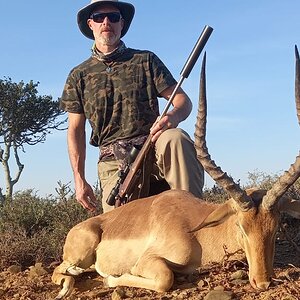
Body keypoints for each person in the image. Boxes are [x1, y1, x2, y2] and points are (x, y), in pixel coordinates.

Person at [60, 0, 204, 213]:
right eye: (99, 17)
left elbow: (183, 101)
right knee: (117, 232)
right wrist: (79, 179)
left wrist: (172, 117)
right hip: (114, 163)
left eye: (113, 17)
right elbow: (75, 130)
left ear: (122, 23)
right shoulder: (78, 75)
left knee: (176, 138)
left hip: (153, 146)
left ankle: (193, 218)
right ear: (91, 24)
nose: (106, 22)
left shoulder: (146, 60)